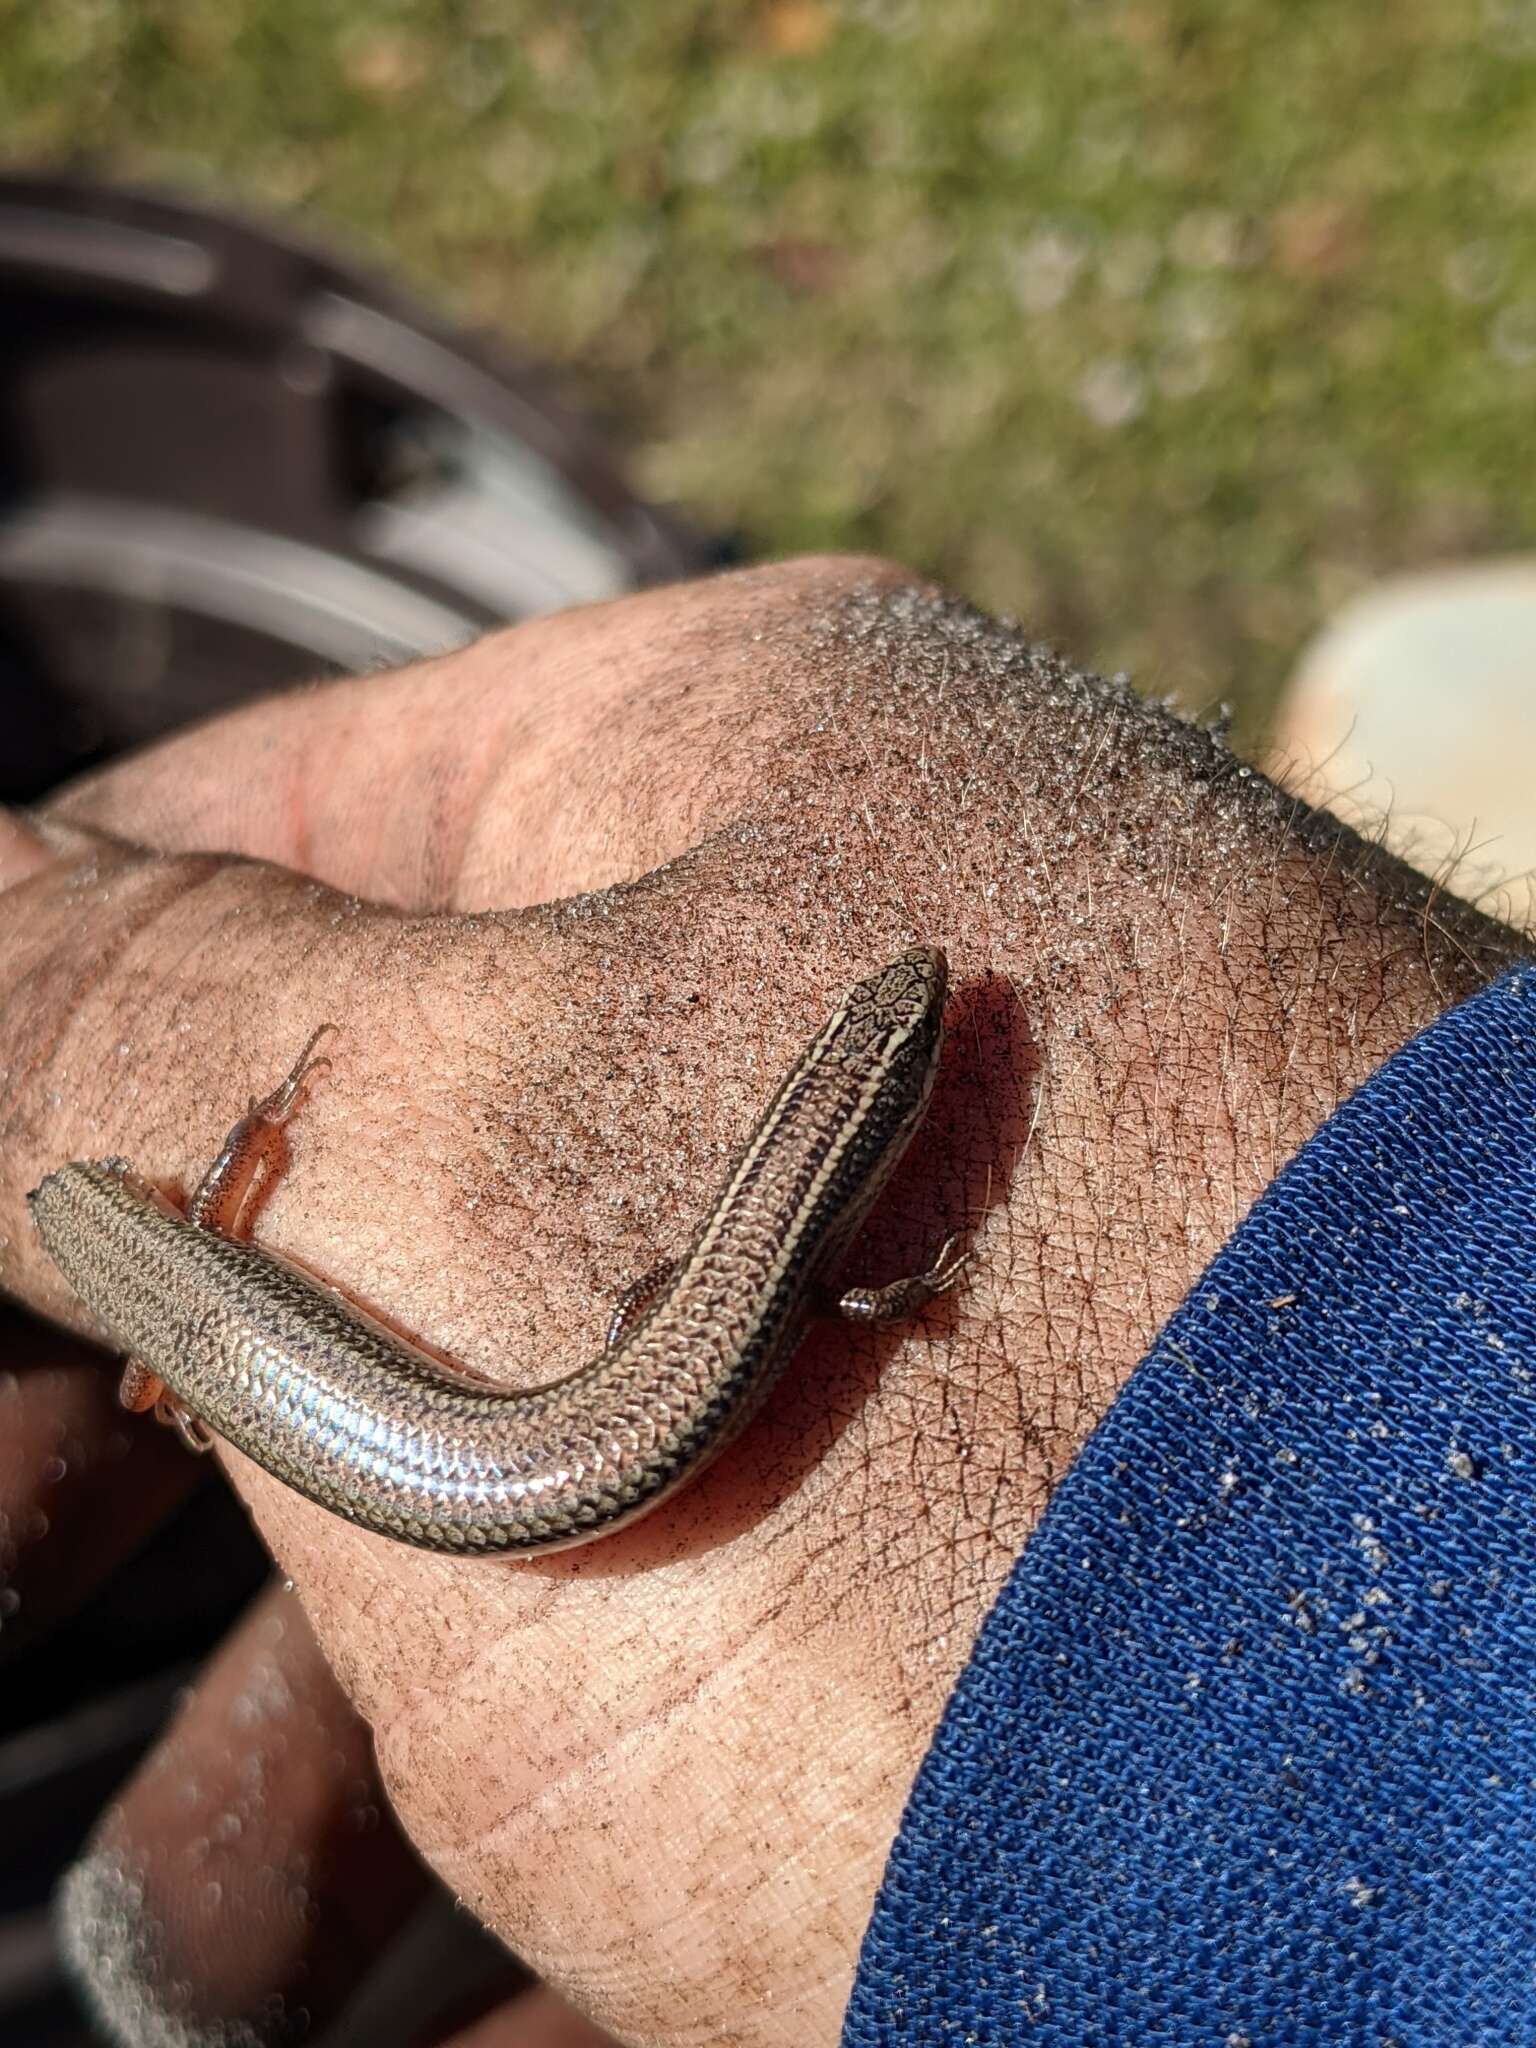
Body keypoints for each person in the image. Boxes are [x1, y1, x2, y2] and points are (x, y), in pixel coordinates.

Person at [0, 556, 1525, 2047]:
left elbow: (165, 1376)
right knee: (734, 1296)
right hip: (581, 1431)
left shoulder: (176, 1286)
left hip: (550, 1426)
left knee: (733, 1297)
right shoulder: (205, 1229)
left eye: (896, 1042)